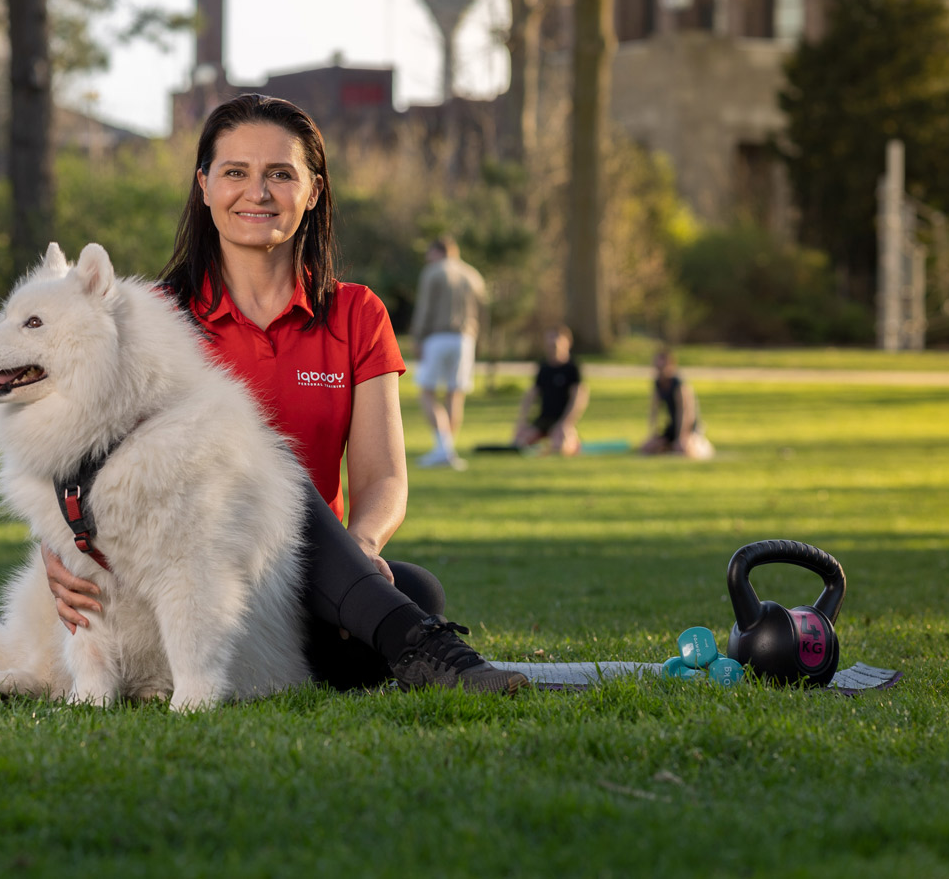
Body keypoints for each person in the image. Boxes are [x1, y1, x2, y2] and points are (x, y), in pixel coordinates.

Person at [42, 94, 527, 695]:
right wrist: (54, 553)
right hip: (181, 583)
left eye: (280, 174)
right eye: (235, 172)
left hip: (303, 583)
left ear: (314, 191)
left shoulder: (357, 313)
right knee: (261, 469)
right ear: (203, 186)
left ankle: (342, 628)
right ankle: (435, 655)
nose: (258, 192)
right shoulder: (152, 319)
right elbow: (70, 447)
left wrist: (359, 552)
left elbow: (383, 478)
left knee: (414, 587)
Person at [407, 235, 485, 470]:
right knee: (455, 394)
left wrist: (417, 336)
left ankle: (443, 448)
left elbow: (425, 308)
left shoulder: (433, 272)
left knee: (427, 392)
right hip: (465, 338)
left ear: (437, 251)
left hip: (437, 337)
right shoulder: (472, 274)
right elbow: (483, 311)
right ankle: (447, 450)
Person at [511, 326, 589, 456]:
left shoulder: (572, 368)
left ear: (567, 343)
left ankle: (572, 441)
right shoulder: (544, 367)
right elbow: (531, 395)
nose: (552, 346)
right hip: (544, 420)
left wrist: (565, 424)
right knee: (518, 444)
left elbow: (579, 398)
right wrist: (522, 422)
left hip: (562, 421)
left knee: (560, 447)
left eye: (555, 342)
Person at [638, 349, 714, 460]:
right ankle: (670, 446)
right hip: (672, 427)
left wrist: (681, 437)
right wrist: (653, 435)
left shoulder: (678, 383)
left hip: (687, 427)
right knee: (646, 448)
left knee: (682, 449)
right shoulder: (658, 383)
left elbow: (685, 412)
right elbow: (654, 410)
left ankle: (699, 444)